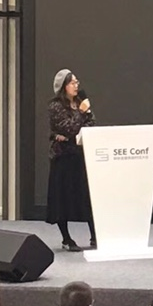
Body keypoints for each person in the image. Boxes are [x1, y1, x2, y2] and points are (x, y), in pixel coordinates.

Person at [45, 69, 96, 251]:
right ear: (63, 86)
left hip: (80, 155)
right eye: (72, 82)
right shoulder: (55, 106)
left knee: (87, 196)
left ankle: (95, 236)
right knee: (62, 198)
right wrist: (80, 115)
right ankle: (66, 239)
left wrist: (77, 125)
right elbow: (68, 128)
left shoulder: (80, 102)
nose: (76, 85)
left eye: (76, 82)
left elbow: (91, 122)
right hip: (63, 158)